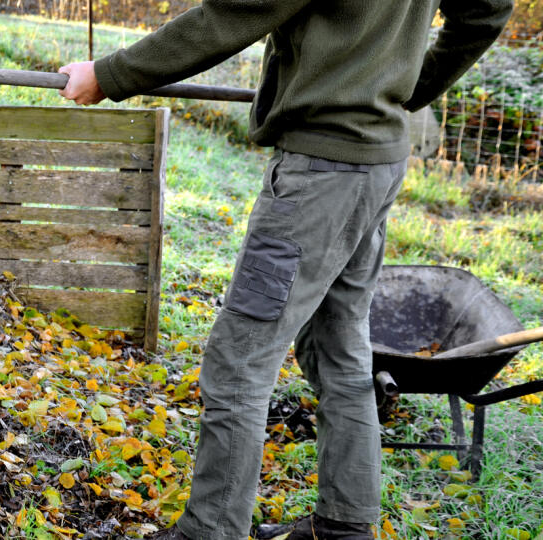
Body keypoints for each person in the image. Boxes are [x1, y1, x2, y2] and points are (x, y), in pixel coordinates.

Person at [57, 1, 513, 539]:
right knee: (338, 348)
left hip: (321, 176)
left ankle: (211, 531)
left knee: (239, 362)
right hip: (376, 161)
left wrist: (109, 74)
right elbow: (487, 10)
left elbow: (235, 13)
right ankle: (345, 527)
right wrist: (395, 90)